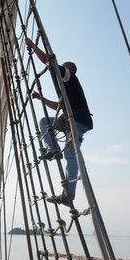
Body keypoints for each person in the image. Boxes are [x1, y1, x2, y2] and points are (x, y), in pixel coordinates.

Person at [25, 37, 93, 207]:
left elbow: (49, 62)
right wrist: (41, 98)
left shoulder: (69, 76)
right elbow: (58, 105)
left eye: (63, 66)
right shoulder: (66, 89)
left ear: (69, 69)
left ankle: (68, 195)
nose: (60, 69)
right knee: (44, 122)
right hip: (68, 120)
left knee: (71, 156)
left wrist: (33, 46)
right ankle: (53, 148)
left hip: (77, 121)